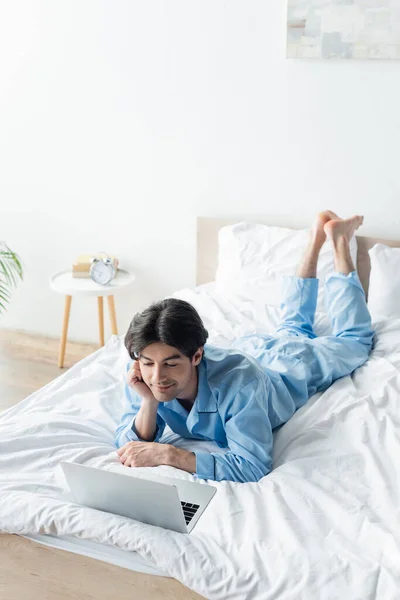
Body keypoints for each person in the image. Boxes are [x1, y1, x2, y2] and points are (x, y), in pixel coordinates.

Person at [115, 211, 374, 483]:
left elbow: (251, 465)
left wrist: (171, 455)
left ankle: (340, 242)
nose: (157, 377)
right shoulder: (146, 371)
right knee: (292, 328)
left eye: (170, 363)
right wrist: (148, 401)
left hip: (286, 365)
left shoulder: (240, 388)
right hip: (252, 348)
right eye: (148, 364)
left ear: (196, 356)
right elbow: (126, 441)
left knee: (354, 342)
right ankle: (315, 239)